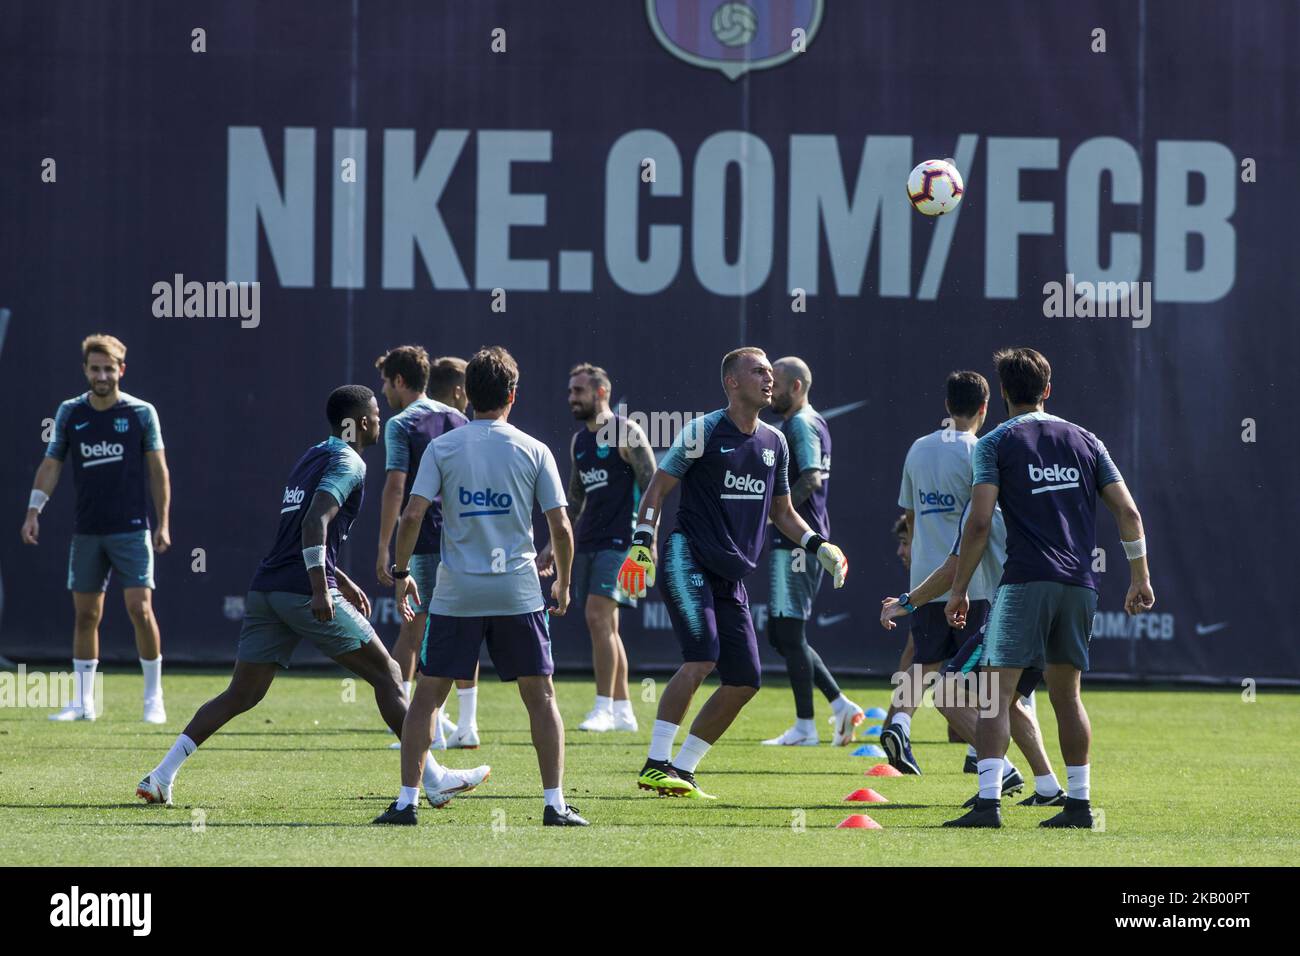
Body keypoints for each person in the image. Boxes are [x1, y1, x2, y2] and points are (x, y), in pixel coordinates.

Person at [136, 385, 487, 808]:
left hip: (268, 588)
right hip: (303, 590)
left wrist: (339, 575)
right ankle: (432, 778)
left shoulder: (312, 455)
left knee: (242, 694)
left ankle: (161, 775)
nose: (379, 421)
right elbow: (316, 521)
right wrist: (322, 587)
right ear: (357, 422)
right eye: (374, 414)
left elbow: (299, 529)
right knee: (389, 674)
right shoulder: (349, 460)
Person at [623, 347, 848, 800]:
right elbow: (657, 489)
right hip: (688, 557)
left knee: (745, 679)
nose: (769, 379)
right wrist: (643, 543)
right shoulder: (703, 430)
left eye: (771, 373)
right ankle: (654, 763)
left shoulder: (776, 442)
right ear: (731, 382)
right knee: (702, 656)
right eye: (759, 372)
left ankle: (682, 771)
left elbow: (784, 513)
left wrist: (819, 545)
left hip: (731, 575)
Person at [942, 347, 1154, 829]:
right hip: (1080, 585)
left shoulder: (995, 443)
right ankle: (1078, 804)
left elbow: (978, 524)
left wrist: (957, 590)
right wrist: (1140, 577)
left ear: (1001, 393)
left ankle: (988, 804)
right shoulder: (1086, 440)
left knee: (997, 695)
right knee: (1067, 696)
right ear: (1048, 389)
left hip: (1025, 582)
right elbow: (1129, 513)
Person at [375, 347, 586, 827]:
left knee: (427, 695)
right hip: (517, 590)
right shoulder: (534, 449)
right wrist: (565, 585)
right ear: (513, 394)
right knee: (542, 697)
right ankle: (554, 805)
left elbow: (412, 514)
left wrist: (402, 572)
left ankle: (407, 802)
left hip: (457, 592)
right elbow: (562, 528)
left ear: (467, 395)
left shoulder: (443, 448)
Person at [23, 335, 171, 723]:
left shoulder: (141, 413)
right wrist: (33, 511)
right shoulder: (71, 413)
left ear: (121, 370)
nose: (102, 375)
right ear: (86, 370)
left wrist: (163, 523)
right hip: (87, 530)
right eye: (95, 368)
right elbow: (51, 464)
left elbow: (158, 471)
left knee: (140, 609)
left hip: (132, 529)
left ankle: (153, 698)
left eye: (109, 368)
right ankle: (83, 703)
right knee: (86, 615)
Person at [881, 371, 991, 774]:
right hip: (970, 580)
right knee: (982, 672)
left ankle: (901, 723)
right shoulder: (981, 451)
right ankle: (982, 752)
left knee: (925, 662)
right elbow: (983, 521)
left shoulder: (918, 449)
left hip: (926, 577)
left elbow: (910, 516)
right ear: (983, 407)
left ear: (947, 406)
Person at [536, 363, 654, 732]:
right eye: (571, 391)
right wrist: (552, 545)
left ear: (601, 393)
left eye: (579, 392)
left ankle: (602, 707)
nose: (572, 398)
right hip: (588, 540)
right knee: (608, 626)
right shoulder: (579, 442)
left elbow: (654, 489)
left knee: (596, 617)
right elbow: (573, 502)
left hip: (622, 541)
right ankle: (623, 711)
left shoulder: (626, 432)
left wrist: (645, 545)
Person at [373, 346, 476, 750]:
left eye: (385, 382)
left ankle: (406, 720)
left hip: (425, 537)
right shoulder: (458, 417)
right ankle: (466, 723)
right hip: (464, 538)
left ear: (400, 381)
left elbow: (397, 486)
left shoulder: (402, 424)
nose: (383, 391)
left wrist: (385, 547)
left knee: (413, 629)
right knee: (463, 625)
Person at [761, 356, 863, 746]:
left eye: (779, 382)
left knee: (788, 632)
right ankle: (839, 706)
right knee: (783, 634)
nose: (772, 390)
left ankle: (806, 725)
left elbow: (811, 479)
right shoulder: (803, 422)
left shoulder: (801, 423)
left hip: (799, 541)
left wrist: (775, 515)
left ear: (797, 387)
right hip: (798, 539)